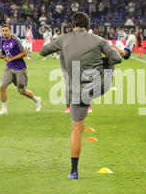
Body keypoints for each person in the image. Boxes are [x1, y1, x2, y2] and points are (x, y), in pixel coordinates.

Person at [40, 12, 123, 180]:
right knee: (110, 62)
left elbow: (42, 52)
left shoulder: (64, 38)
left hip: (76, 90)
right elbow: (117, 58)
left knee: (76, 130)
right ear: (88, 26)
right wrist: (103, 60)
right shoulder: (98, 39)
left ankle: (74, 171)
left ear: (73, 26)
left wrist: (60, 45)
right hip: (100, 85)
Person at [0, 24, 42, 115]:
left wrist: (11, 59)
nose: (5, 32)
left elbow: (25, 53)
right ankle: (4, 109)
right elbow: (5, 54)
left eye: (6, 30)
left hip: (20, 68)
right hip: (9, 67)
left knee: (22, 91)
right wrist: (1, 56)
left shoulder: (15, 40)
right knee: (2, 86)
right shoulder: (3, 42)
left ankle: (37, 100)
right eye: (3, 31)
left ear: (10, 31)